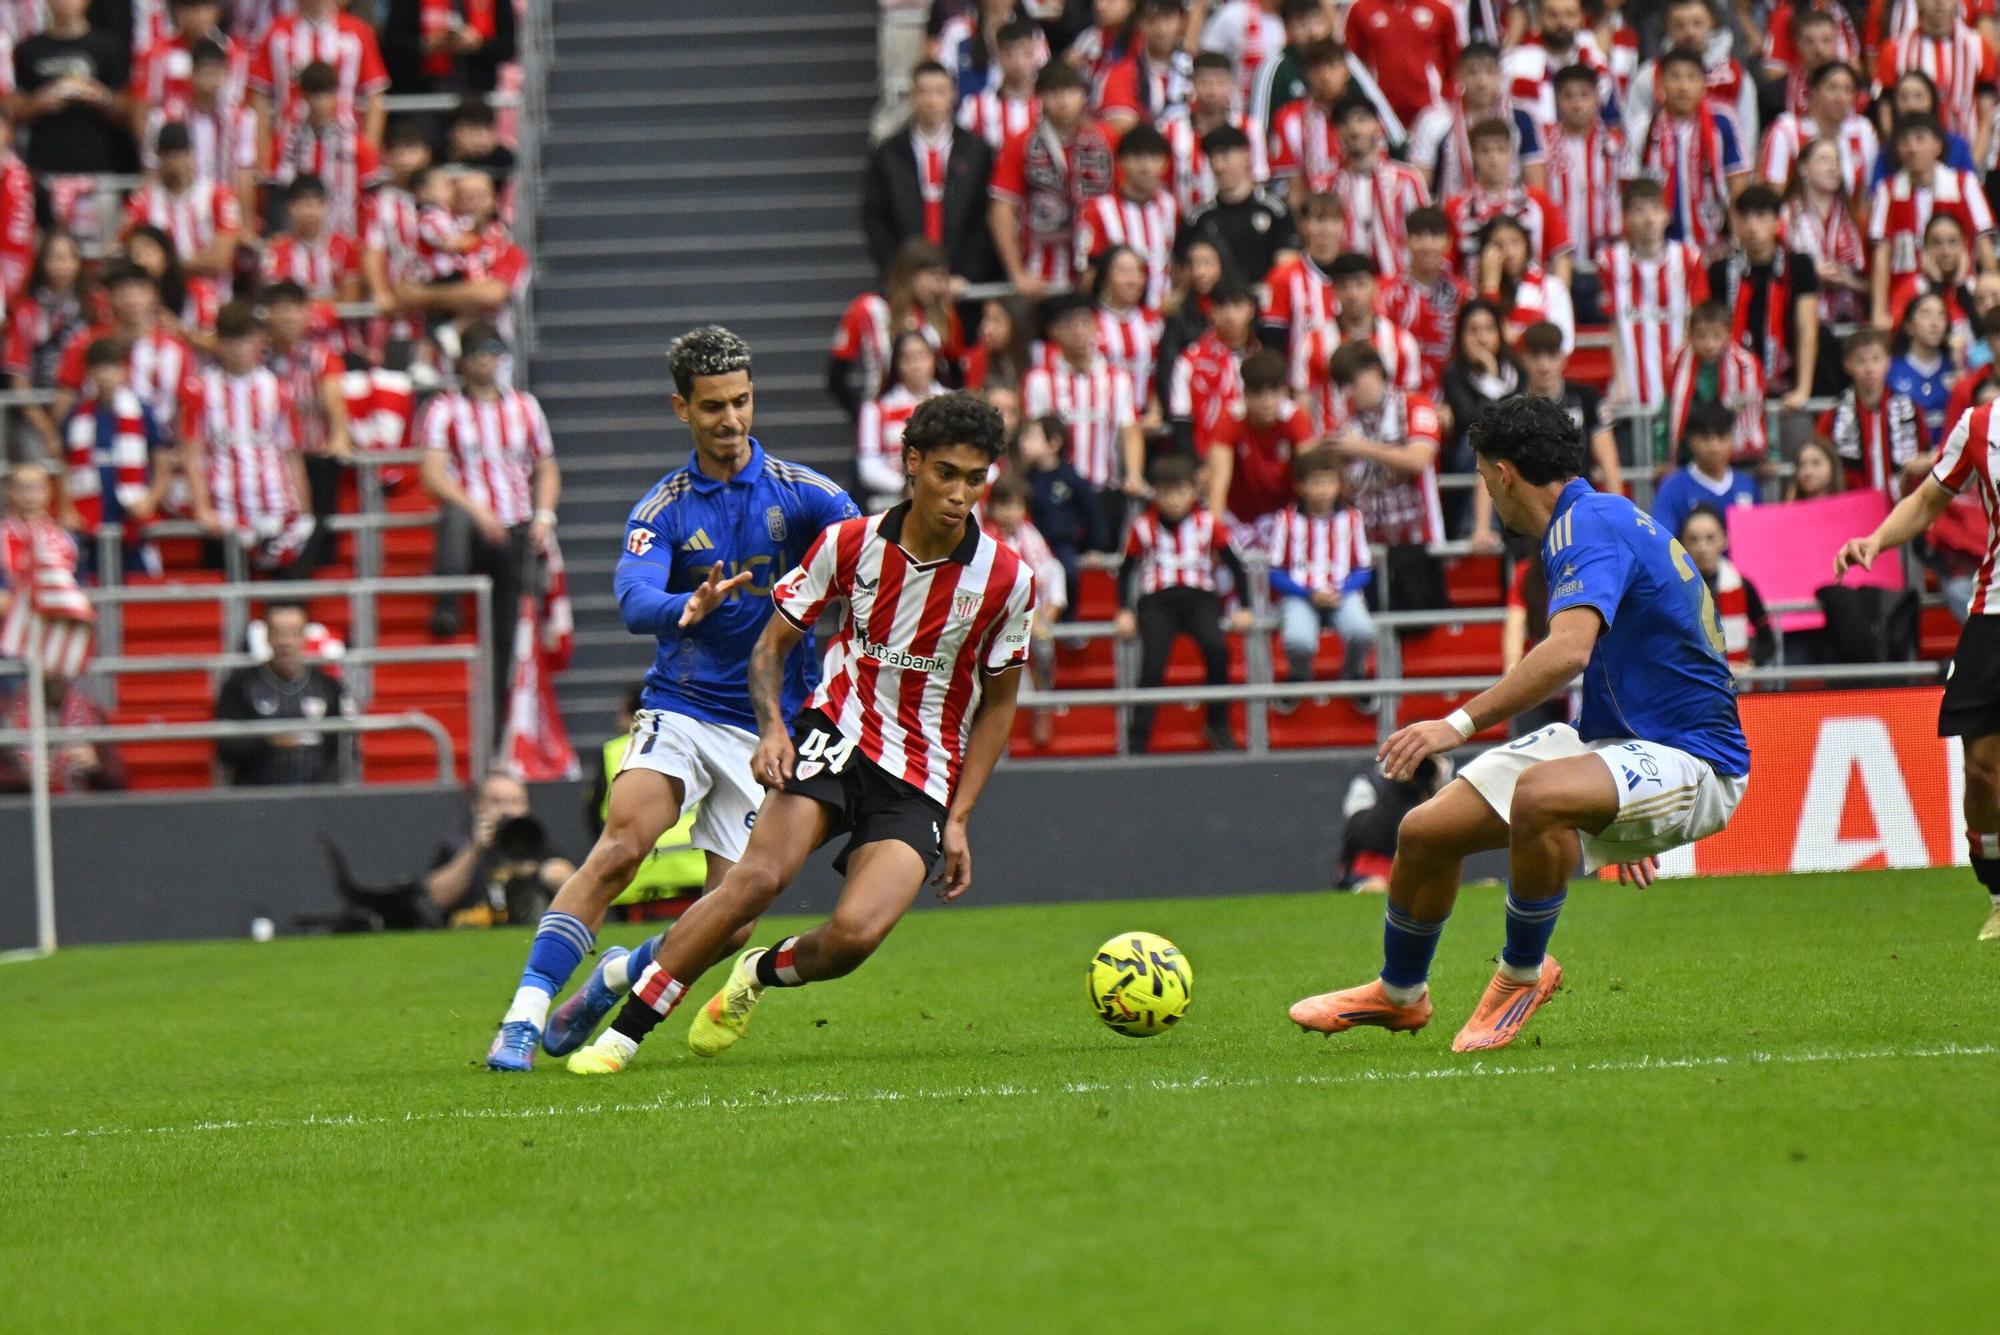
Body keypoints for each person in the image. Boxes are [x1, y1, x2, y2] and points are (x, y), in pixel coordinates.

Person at [563, 392, 1033, 1075]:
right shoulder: (851, 543)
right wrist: (774, 729)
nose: (960, 494)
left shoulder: (1008, 579)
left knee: (855, 936)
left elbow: (999, 704)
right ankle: (625, 1032)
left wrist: (960, 816)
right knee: (754, 882)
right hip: (835, 734)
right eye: (946, 473)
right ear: (911, 464)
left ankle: (758, 972)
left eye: (975, 478)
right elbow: (771, 645)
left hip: (921, 771)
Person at [1290, 394, 1750, 1049]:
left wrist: (1457, 722)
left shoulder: (1584, 524)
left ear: (1505, 474)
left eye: (1482, 479)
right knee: (1425, 831)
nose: (1488, 494)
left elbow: (1569, 650)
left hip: (1700, 761)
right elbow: (1638, 654)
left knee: (1540, 795)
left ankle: (1522, 973)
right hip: (1624, 743)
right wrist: (1613, 797)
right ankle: (1399, 992)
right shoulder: (1592, 518)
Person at [482, 326, 860, 1071]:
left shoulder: (808, 494)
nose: (732, 419)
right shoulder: (663, 507)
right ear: (680, 407)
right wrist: (681, 606)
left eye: (742, 401)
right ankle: (520, 1020)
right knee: (623, 845)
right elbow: (632, 596)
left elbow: (867, 560)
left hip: (767, 728)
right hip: (682, 706)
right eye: (713, 406)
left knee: (730, 923)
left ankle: (615, 974)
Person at [1834, 399, 2000, 940]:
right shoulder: (1980, 424)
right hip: (1994, 611)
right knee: (1980, 767)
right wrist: (1876, 540)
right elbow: (1930, 498)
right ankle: (1999, 893)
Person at [418, 322, 558, 713]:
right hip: (473, 524)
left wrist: (545, 515)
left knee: (508, 629)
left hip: (516, 524)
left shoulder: (524, 407)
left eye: (491, 352)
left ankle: (503, 713)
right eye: (476, 353)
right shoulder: (444, 408)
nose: (484, 361)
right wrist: (479, 511)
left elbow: (546, 466)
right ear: (463, 361)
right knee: (456, 517)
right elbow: (432, 474)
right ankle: (447, 602)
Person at [1118, 453, 1251, 754]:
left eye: (1180, 492)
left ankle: (1217, 723)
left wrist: (1245, 606)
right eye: (1166, 493)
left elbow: (1235, 564)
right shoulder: (1142, 526)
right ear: (1156, 494)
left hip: (1198, 597)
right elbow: (1127, 568)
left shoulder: (1207, 523)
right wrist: (1124, 610)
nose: (1174, 500)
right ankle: (1137, 738)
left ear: (1193, 492)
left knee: (1217, 649)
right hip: (1156, 600)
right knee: (1153, 665)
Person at [186, 302, 318, 576]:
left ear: (258, 341)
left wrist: (304, 508)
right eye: (231, 340)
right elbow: (192, 452)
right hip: (223, 510)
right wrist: (202, 507)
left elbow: (291, 453)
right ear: (219, 343)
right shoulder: (200, 390)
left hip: (277, 507)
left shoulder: (279, 389)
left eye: (245, 339)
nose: (239, 348)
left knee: (281, 602)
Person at [1021, 290, 1145, 543]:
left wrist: (1133, 473)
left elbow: (1129, 429)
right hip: (1057, 493)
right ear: (1054, 331)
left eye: (1084, 322)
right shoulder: (1039, 380)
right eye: (1069, 324)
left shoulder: (1116, 379)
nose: (1078, 331)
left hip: (1103, 489)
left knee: (1103, 566)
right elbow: (1033, 433)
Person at [862, 60, 998, 284]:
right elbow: (875, 218)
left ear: (953, 95)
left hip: (964, 284)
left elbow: (986, 216)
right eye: (923, 92)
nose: (931, 101)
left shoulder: (977, 151)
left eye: (939, 92)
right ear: (913, 96)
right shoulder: (889, 153)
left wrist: (968, 275)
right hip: (905, 282)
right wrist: (900, 274)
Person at [988, 60, 1113, 297]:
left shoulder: (1107, 140)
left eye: (1070, 92)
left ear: (1083, 95)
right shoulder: (1020, 142)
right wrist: (1017, 273)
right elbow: (1002, 209)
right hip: (1040, 272)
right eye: (1054, 93)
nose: (1064, 101)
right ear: (1040, 97)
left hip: (1100, 270)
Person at [56, 337, 171, 579]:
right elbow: (64, 466)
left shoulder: (142, 411)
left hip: (131, 515)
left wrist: (150, 500)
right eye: (99, 369)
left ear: (123, 371)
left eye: (112, 368)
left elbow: (162, 464)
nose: (106, 375)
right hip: (90, 515)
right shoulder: (77, 415)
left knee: (140, 587)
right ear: (89, 373)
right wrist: (67, 509)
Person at [1599, 177, 1709, 422]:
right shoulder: (1609, 261)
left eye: (1655, 209)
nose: (1648, 219)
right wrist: (1620, 379)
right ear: (1626, 218)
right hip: (1631, 385)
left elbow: (1700, 322)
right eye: (1639, 210)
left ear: (1666, 215)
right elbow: (1614, 326)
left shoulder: (1689, 259)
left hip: (1681, 382)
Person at [1267, 445, 1375, 692]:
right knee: (1298, 640)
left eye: (1328, 482)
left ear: (1338, 484)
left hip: (1342, 592)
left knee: (1362, 631)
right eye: (1315, 483)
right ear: (1301, 486)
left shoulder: (1352, 518)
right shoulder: (1286, 520)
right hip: (1299, 593)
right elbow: (1274, 571)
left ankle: (1353, 673)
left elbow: (1364, 568)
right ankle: (1300, 674)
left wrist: (1341, 590)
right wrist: (1308, 593)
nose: (1323, 490)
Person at [1869, 114, 1994, 326]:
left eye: (1920, 139)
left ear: (1938, 144)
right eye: (1905, 141)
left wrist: (1992, 292)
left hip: (1961, 291)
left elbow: (1984, 245)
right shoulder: (1886, 190)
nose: (1912, 148)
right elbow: (1882, 253)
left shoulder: (1965, 183)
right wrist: (1879, 312)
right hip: (1906, 296)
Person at [1708, 184, 1822, 414]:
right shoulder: (1721, 270)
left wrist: (1803, 388)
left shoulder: (1798, 265)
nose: (1752, 226)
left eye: (1761, 216)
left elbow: (1806, 328)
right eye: (1745, 218)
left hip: (1786, 384)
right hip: (1735, 385)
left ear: (1776, 221)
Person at [213, 602, 352, 786]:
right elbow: (226, 750)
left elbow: (339, 749)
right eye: (278, 633)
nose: (285, 642)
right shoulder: (240, 685)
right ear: (267, 636)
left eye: (293, 633)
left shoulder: (327, 687)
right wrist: (269, 741)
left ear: (304, 636)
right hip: (256, 797)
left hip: (316, 796)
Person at [1628, 44, 1748, 253]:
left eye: (1691, 77)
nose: (1683, 86)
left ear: (1703, 84)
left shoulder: (1723, 121)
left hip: (1715, 242)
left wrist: (1737, 240)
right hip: (1659, 247)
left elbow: (1738, 184)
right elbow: (1630, 188)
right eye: (1674, 77)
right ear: (1661, 83)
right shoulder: (1643, 127)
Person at [829, 240, 961, 422]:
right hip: (883, 418)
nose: (938, 287)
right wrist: (862, 416)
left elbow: (955, 373)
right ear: (909, 275)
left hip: (934, 420)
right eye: (932, 276)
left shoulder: (944, 315)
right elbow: (836, 377)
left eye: (942, 279)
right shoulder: (867, 309)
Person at [424, 773, 577, 927]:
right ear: (478, 805)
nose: (507, 810)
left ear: (526, 806)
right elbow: (436, 899)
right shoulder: (458, 845)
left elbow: (572, 884)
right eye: (497, 802)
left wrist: (536, 871)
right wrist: (474, 850)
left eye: (515, 802)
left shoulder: (535, 843)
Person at [248, 0, 390, 155]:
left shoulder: (357, 32)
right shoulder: (276, 33)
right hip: (289, 147)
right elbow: (259, 98)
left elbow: (374, 98)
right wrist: (263, 155)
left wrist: (368, 153)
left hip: (345, 147)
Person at [10, 0, 136, 174]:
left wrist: (101, 96)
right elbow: (12, 112)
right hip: (44, 162)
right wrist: (39, 103)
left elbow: (130, 109)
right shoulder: (28, 50)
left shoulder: (108, 48)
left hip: (97, 160)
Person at [1408, 41, 1545, 200]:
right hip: (1454, 216)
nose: (1482, 82)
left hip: (1510, 218)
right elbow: (1421, 186)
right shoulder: (1434, 120)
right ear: (1459, 74)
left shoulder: (1521, 119)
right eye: (1473, 72)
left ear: (1500, 74)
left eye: (1489, 72)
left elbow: (1536, 184)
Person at [1443, 116, 1571, 284]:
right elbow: (1447, 266)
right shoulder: (1456, 207)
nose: (1494, 159)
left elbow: (1561, 256)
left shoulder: (1537, 201)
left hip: (1530, 297)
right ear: (1473, 154)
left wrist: (1558, 300)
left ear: (1512, 153)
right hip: (1477, 300)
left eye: (1501, 150)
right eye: (1485, 151)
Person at [1541, 62, 1624, 320]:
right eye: (1568, 96)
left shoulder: (1617, 142)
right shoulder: (1543, 142)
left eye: (1584, 95)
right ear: (1556, 99)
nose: (1576, 104)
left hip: (1605, 260)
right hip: (1557, 264)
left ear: (1597, 98)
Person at [1872, 0, 1997, 162]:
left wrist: (1973, 161)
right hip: (1911, 156)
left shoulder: (1979, 47)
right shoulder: (1895, 49)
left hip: (1963, 150)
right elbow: (1885, 109)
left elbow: (1987, 115)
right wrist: (1900, 155)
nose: (1939, 2)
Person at [4, 231, 91, 460]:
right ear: (41, 263)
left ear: (78, 261)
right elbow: (18, 380)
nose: (61, 265)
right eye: (53, 257)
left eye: (67, 257)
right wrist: (47, 428)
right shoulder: (25, 312)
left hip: (86, 408)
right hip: (34, 414)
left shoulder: (93, 308)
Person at [1818, 326, 1933, 497]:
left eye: (1876, 359)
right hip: (1852, 506)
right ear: (1847, 365)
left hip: (1902, 504)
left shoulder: (1911, 410)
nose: (1869, 368)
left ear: (1888, 362)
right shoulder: (1833, 416)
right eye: (1861, 360)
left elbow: (1924, 454)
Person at [1206, 347, 1313, 531]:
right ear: (1245, 394)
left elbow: (1310, 475)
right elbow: (1218, 481)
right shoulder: (1230, 418)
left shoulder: (1296, 418)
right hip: (1238, 516)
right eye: (1258, 394)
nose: (1267, 402)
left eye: (1274, 392)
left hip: (1285, 515)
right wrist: (1216, 534)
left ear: (1284, 392)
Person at [1516, 320, 1622, 495]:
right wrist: (1482, 523)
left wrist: (1618, 514)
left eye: (1551, 355)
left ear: (1563, 358)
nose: (1544, 365)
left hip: (1577, 503)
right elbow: (1492, 464)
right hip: (1525, 505)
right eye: (1536, 355)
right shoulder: (1509, 405)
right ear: (1524, 358)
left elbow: (1608, 461)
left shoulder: (1587, 398)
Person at [1326, 98, 1429, 280]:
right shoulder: (1329, 186)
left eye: (1362, 120)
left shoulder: (1407, 180)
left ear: (1378, 125)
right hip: (1350, 288)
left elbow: (1425, 233)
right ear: (1337, 132)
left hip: (1401, 283)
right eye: (1345, 123)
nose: (1354, 130)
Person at [1161, 52, 1272, 215]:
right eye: (1204, 82)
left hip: (1238, 220)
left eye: (1220, 82)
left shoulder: (1250, 128)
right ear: (1192, 84)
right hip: (1187, 221)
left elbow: (1258, 180)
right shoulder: (1170, 130)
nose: (1212, 91)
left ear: (1232, 85)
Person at [1013, 411, 1103, 609]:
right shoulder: (1026, 480)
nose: (1024, 443)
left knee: (1068, 571)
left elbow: (1093, 513)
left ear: (1054, 443)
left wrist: (1095, 546)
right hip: (1033, 542)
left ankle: (1068, 619)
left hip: (1063, 543)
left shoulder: (1072, 479)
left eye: (1032, 437)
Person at [1663, 301, 1767, 468]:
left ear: (1728, 334)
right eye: (1701, 336)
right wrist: (1662, 458)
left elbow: (1760, 410)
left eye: (1716, 336)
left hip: (1738, 455)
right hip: (1690, 454)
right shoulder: (1675, 365)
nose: (1709, 344)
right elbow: (1666, 411)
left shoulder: (1747, 366)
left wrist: (1771, 455)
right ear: (1690, 335)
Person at [1378, 205, 1469, 395]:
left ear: (1448, 241)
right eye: (1418, 236)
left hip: (1452, 398)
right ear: (1406, 240)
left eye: (1435, 236)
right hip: (1400, 396)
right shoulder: (1387, 294)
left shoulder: (1462, 293)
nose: (1427, 245)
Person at [1782, 135, 1869, 332]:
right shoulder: (1786, 217)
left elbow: (1877, 284)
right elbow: (1775, 272)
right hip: (1804, 324)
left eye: (1837, 161)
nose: (1833, 168)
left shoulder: (1856, 218)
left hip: (1853, 325)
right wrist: (1809, 273)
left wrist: (1849, 281)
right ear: (1803, 168)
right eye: (1824, 160)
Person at [1166, 278, 1259, 457]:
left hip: (1252, 462)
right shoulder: (1189, 361)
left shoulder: (1263, 358)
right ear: (1211, 311)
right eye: (1222, 306)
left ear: (1250, 310)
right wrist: (1197, 467)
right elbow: (1181, 419)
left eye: (1238, 305)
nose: (1230, 314)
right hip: (1206, 458)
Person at [1759, 59, 1877, 199]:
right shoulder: (1786, 130)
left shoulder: (1863, 131)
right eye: (1832, 88)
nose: (1840, 98)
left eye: (1848, 90)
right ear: (1813, 92)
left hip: (1846, 218)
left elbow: (1866, 197)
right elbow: (1774, 194)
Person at [856, 330, 946, 512]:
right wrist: (906, 486)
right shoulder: (876, 409)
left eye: (922, 356)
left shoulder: (953, 403)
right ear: (897, 364)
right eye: (908, 358)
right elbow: (868, 465)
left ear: (933, 359)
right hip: (895, 504)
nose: (916, 365)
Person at [1678, 503, 1773, 669]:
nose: (1702, 547)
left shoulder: (1743, 585)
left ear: (1725, 539)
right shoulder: (1673, 589)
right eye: (1693, 539)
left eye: (1710, 538)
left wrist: (1750, 665)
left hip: (1737, 685)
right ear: (1682, 543)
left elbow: (1768, 641)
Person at [1651, 400, 1762, 540]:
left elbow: (1758, 539)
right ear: (1690, 441)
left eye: (1722, 437)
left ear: (1733, 439)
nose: (1714, 447)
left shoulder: (1747, 485)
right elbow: (1663, 542)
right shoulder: (1673, 488)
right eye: (1705, 438)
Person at [1342, 0, 1458, 130]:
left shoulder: (1441, 10)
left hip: (1432, 112)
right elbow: (1351, 65)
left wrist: (1447, 100)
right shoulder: (1361, 10)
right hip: (1381, 111)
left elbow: (1454, 64)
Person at [1258, 189, 1342, 357]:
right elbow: (1273, 344)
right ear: (1302, 225)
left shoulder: (1356, 275)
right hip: (1299, 379)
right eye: (1318, 220)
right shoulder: (1282, 278)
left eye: (1333, 220)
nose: (1326, 229)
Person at [382, 0, 518, 98]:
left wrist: (478, 45)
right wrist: (426, 45)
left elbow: (509, 45)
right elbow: (392, 45)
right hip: (424, 94)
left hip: (477, 95)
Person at [1088, 246, 1166, 405]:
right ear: (1104, 277)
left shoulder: (1156, 321)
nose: (1133, 280)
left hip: (1149, 420)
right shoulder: (1089, 321)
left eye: (1139, 272)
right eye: (1123, 271)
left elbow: (1166, 371)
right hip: (1101, 418)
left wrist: (1155, 410)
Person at [955, 17, 1041, 149]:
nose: (1018, 63)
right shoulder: (974, 106)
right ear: (998, 55)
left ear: (1036, 55)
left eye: (1026, 54)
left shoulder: (1045, 105)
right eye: (1009, 54)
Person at [1890, 289, 1962, 436]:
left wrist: (1959, 366)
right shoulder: (1890, 370)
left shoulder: (1956, 368)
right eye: (1925, 314)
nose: (1935, 323)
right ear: (1908, 326)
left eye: (1941, 315)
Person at [1785, 435, 1844, 501]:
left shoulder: (1846, 507)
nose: (1808, 471)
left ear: (1832, 467)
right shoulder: (1792, 505)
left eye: (1816, 463)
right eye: (1801, 464)